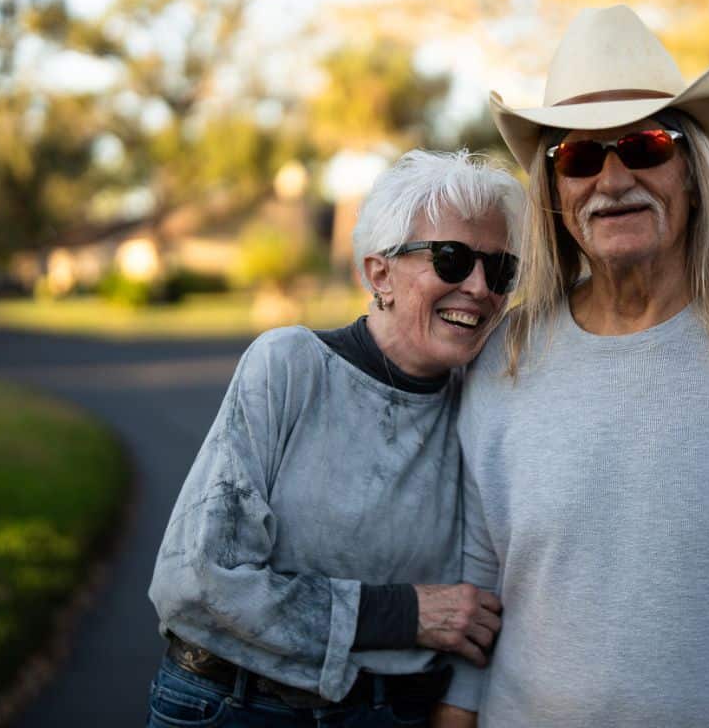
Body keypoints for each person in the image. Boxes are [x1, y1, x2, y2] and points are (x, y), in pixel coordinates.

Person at [434, 6, 709, 727]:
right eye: (580, 157)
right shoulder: (502, 355)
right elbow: (478, 598)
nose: (613, 178)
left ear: (693, 170)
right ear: (554, 195)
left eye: (645, 145)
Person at [146, 149, 525, 727]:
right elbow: (194, 580)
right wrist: (402, 613)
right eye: (452, 259)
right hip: (237, 707)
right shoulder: (289, 365)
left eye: (500, 270)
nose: (479, 287)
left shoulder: (483, 406)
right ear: (380, 273)